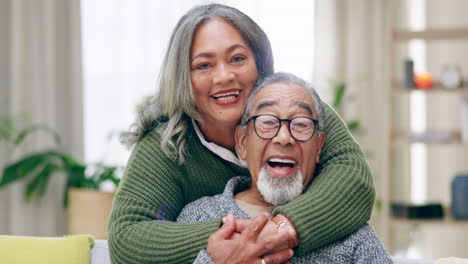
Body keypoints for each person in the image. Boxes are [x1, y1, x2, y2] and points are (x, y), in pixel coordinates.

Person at [109, 3, 375, 264]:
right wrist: (237, 239)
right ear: (183, 79)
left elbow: (354, 180)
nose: (224, 76)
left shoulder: (298, 111)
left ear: (260, 65)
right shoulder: (165, 142)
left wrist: (282, 226)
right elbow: (128, 238)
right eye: (203, 65)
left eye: (237, 59)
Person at [177, 72, 392, 264]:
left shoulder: (348, 230)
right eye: (268, 121)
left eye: (301, 124)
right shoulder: (198, 216)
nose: (284, 137)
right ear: (242, 143)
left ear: (318, 147)